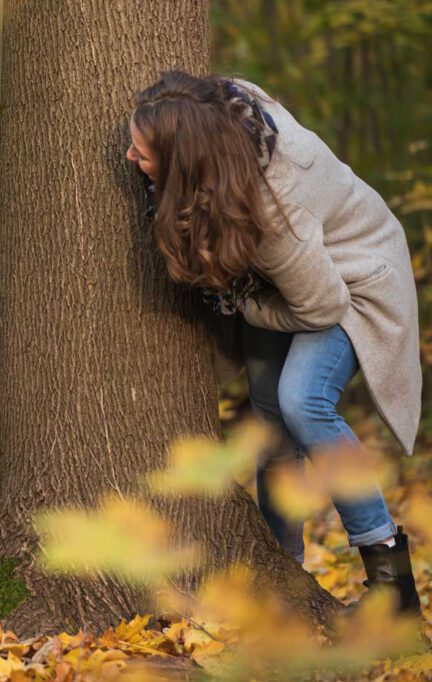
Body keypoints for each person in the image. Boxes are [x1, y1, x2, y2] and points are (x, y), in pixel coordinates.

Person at [125, 71, 421, 615]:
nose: (128, 157)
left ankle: (392, 588)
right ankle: (282, 574)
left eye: (142, 153)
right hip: (288, 280)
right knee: (268, 419)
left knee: (301, 400)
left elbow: (322, 305)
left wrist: (240, 300)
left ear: (185, 159)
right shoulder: (222, 123)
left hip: (351, 281)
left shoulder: (275, 210)